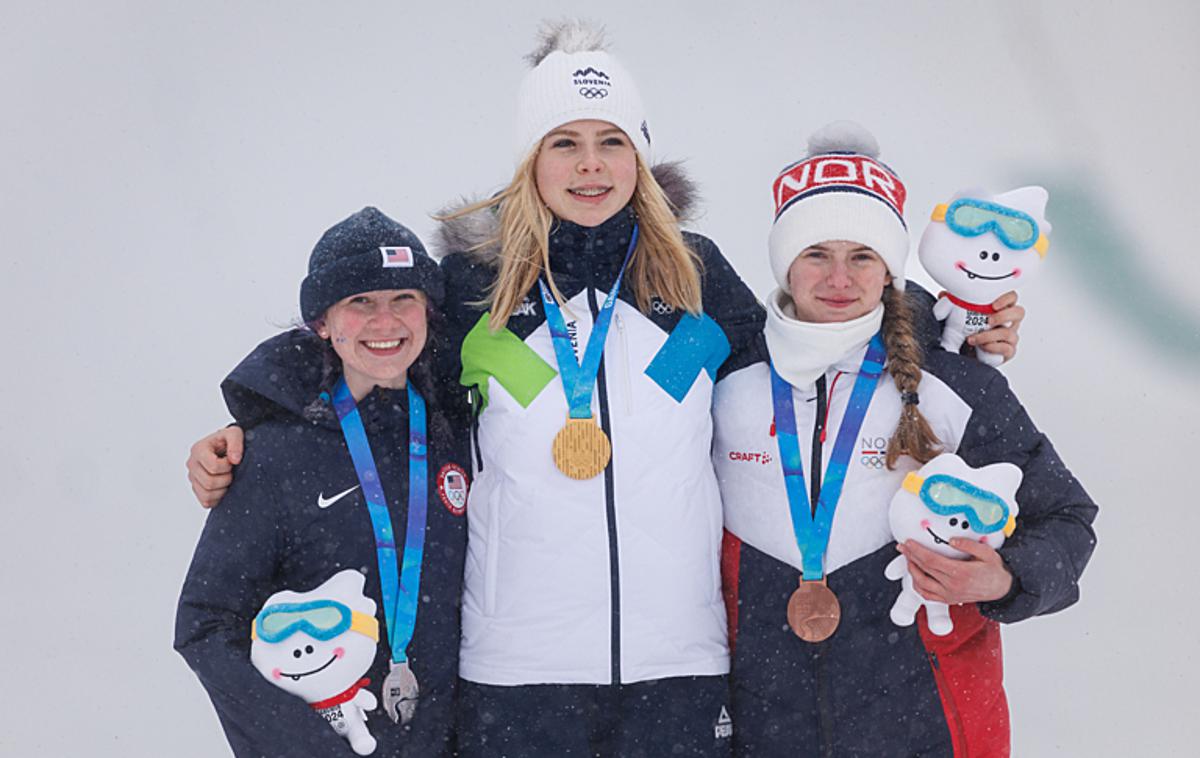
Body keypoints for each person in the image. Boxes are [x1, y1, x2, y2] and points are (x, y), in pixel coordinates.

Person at [182, 22, 1025, 757]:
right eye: (565, 143)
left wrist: (946, 318)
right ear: (530, 160)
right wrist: (253, 415)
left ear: (641, 156)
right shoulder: (475, 287)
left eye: (611, 141)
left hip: (682, 667)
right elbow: (369, 351)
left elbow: (811, 328)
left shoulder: (692, 276)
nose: (591, 166)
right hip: (515, 670)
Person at [712, 123, 1097, 756]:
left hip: (926, 720)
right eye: (816, 253)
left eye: (862, 255)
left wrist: (1003, 580)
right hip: (763, 723)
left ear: (890, 265)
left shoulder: (950, 377)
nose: (839, 277)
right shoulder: (726, 376)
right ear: (785, 261)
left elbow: (1067, 519)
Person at [175, 208, 468, 757]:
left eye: (403, 298)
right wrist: (304, 746)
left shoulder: (459, 433)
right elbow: (205, 622)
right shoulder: (275, 453)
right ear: (322, 323)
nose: (386, 321)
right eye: (360, 302)